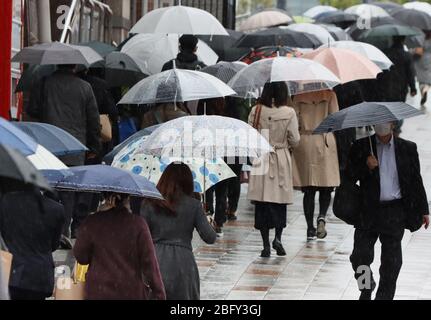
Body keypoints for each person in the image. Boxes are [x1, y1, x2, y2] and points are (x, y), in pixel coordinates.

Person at [345, 122, 429, 300]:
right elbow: (349, 176)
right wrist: (365, 166)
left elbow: (416, 180)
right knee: (360, 257)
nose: (381, 126)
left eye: (385, 122)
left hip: (394, 212)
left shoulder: (407, 148)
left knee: (392, 262)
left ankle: (384, 297)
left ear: (392, 124)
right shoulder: (361, 147)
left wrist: (424, 210)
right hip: (368, 210)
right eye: (378, 123)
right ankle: (366, 287)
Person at [26, 64, 101, 248]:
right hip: (75, 147)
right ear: (75, 66)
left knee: (49, 188)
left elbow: (33, 110)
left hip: (49, 145)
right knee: (69, 192)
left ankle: (49, 231)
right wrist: (94, 146)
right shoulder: (85, 87)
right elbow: (93, 120)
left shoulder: (44, 84)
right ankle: (63, 231)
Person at [141, 163, 216, 300]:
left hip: (155, 261)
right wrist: (208, 221)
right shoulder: (194, 206)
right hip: (184, 264)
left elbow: (140, 237)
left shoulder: (149, 203)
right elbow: (210, 237)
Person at [73, 192, 165, 300]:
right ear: (128, 199)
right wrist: (159, 293)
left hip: (98, 291)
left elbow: (81, 257)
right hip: (130, 291)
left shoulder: (92, 222)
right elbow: (150, 263)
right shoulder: (138, 224)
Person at [248, 82, 300, 258]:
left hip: (262, 157)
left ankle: (265, 245)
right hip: (280, 157)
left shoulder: (257, 110)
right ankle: (278, 237)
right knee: (279, 201)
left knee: (262, 202)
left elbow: (249, 134)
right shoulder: (289, 112)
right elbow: (295, 139)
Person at [0, 184, 64, 300]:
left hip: (12, 272)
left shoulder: (6, 202)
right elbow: (54, 245)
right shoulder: (56, 208)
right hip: (40, 276)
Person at [292, 90, 340, 240]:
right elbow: (336, 119)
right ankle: (322, 217)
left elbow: (294, 120)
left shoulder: (299, 96)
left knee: (309, 188)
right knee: (326, 185)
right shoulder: (330, 95)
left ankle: (309, 227)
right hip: (325, 139)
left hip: (305, 139)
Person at [378, 36, 417, 135]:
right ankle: (396, 128)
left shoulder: (385, 53)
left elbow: (380, 71)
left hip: (386, 87)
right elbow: (410, 73)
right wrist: (413, 88)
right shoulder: (406, 55)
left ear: (393, 39)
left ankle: (390, 128)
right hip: (400, 88)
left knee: (388, 109)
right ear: (403, 40)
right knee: (399, 110)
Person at [413, 31, 431, 107]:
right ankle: (425, 89)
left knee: (421, 80)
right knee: (428, 80)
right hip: (429, 59)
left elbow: (415, 49)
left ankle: (422, 91)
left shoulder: (420, 38)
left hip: (419, 60)